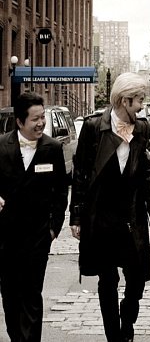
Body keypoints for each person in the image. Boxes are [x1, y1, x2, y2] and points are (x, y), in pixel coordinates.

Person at [69, 72, 150, 342]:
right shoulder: (93, 128)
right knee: (107, 279)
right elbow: (80, 174)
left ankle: (128, 315)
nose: (142, 106)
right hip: (101, 216)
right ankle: (114, 336)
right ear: (124, 100)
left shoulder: (142, 128)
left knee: (137, 278)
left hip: (132, 214)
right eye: (139, 100)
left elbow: (148, 170)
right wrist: (76, 216)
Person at [0, 92, 68, 342]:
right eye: (35, 119)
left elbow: (61, 192)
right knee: (10, 296)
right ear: (20, 121)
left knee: (31, 294)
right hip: (6, 238)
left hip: (38, 237)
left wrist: (53, 229)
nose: (41, 123)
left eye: (42, 118)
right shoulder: (1, 146)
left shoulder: (53, 148)